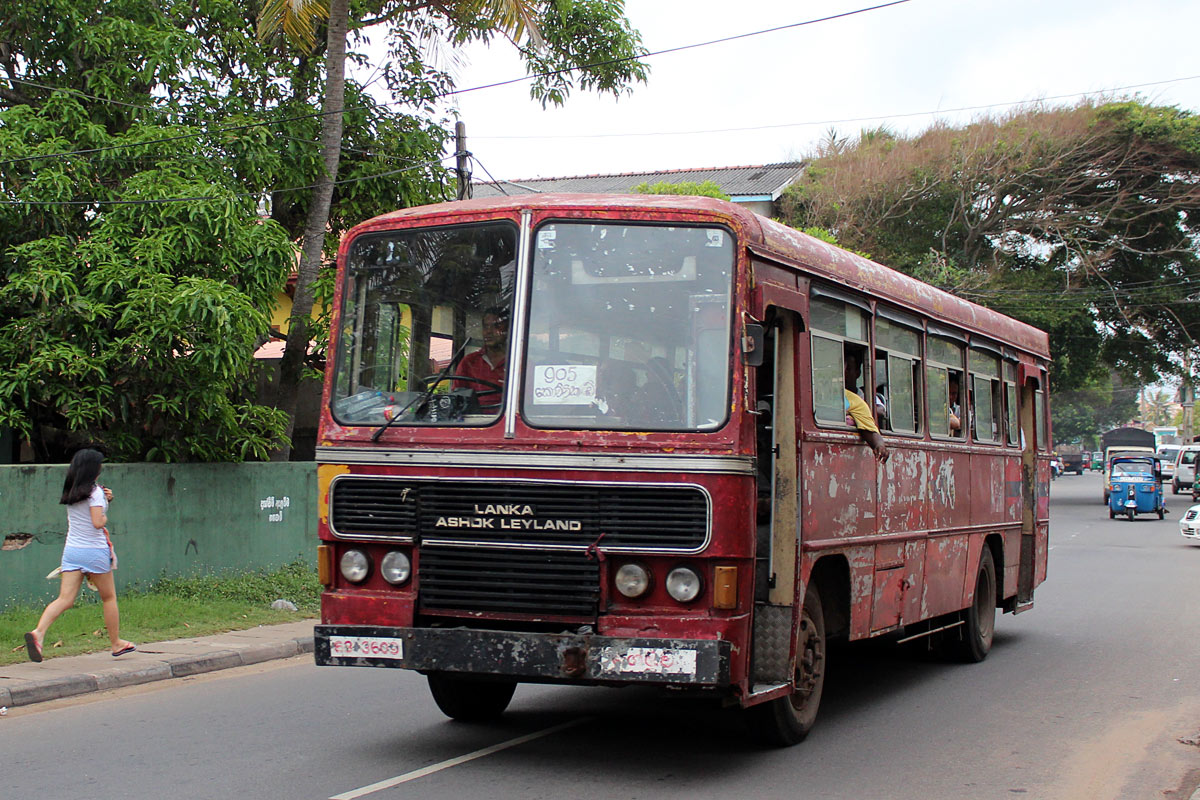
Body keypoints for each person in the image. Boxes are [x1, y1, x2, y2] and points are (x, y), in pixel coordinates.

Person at [25, 448, 135, 662]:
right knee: (109, 597)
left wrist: (106, 500)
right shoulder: (95, 493)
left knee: (64, 599)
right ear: (94, 469)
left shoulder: (73, 491)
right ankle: (116, 643)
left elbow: (86, 512)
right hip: (94, 551)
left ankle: (38, 633)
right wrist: (104, 514)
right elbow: (96, 522)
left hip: (72, 551)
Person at [455, 310, 508, 408]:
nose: (489, 331)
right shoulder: (469, 362)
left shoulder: (521, 364)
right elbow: (457, 399)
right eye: (486, 327)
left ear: (508, 330)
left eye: (496, 326)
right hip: (475, 422)